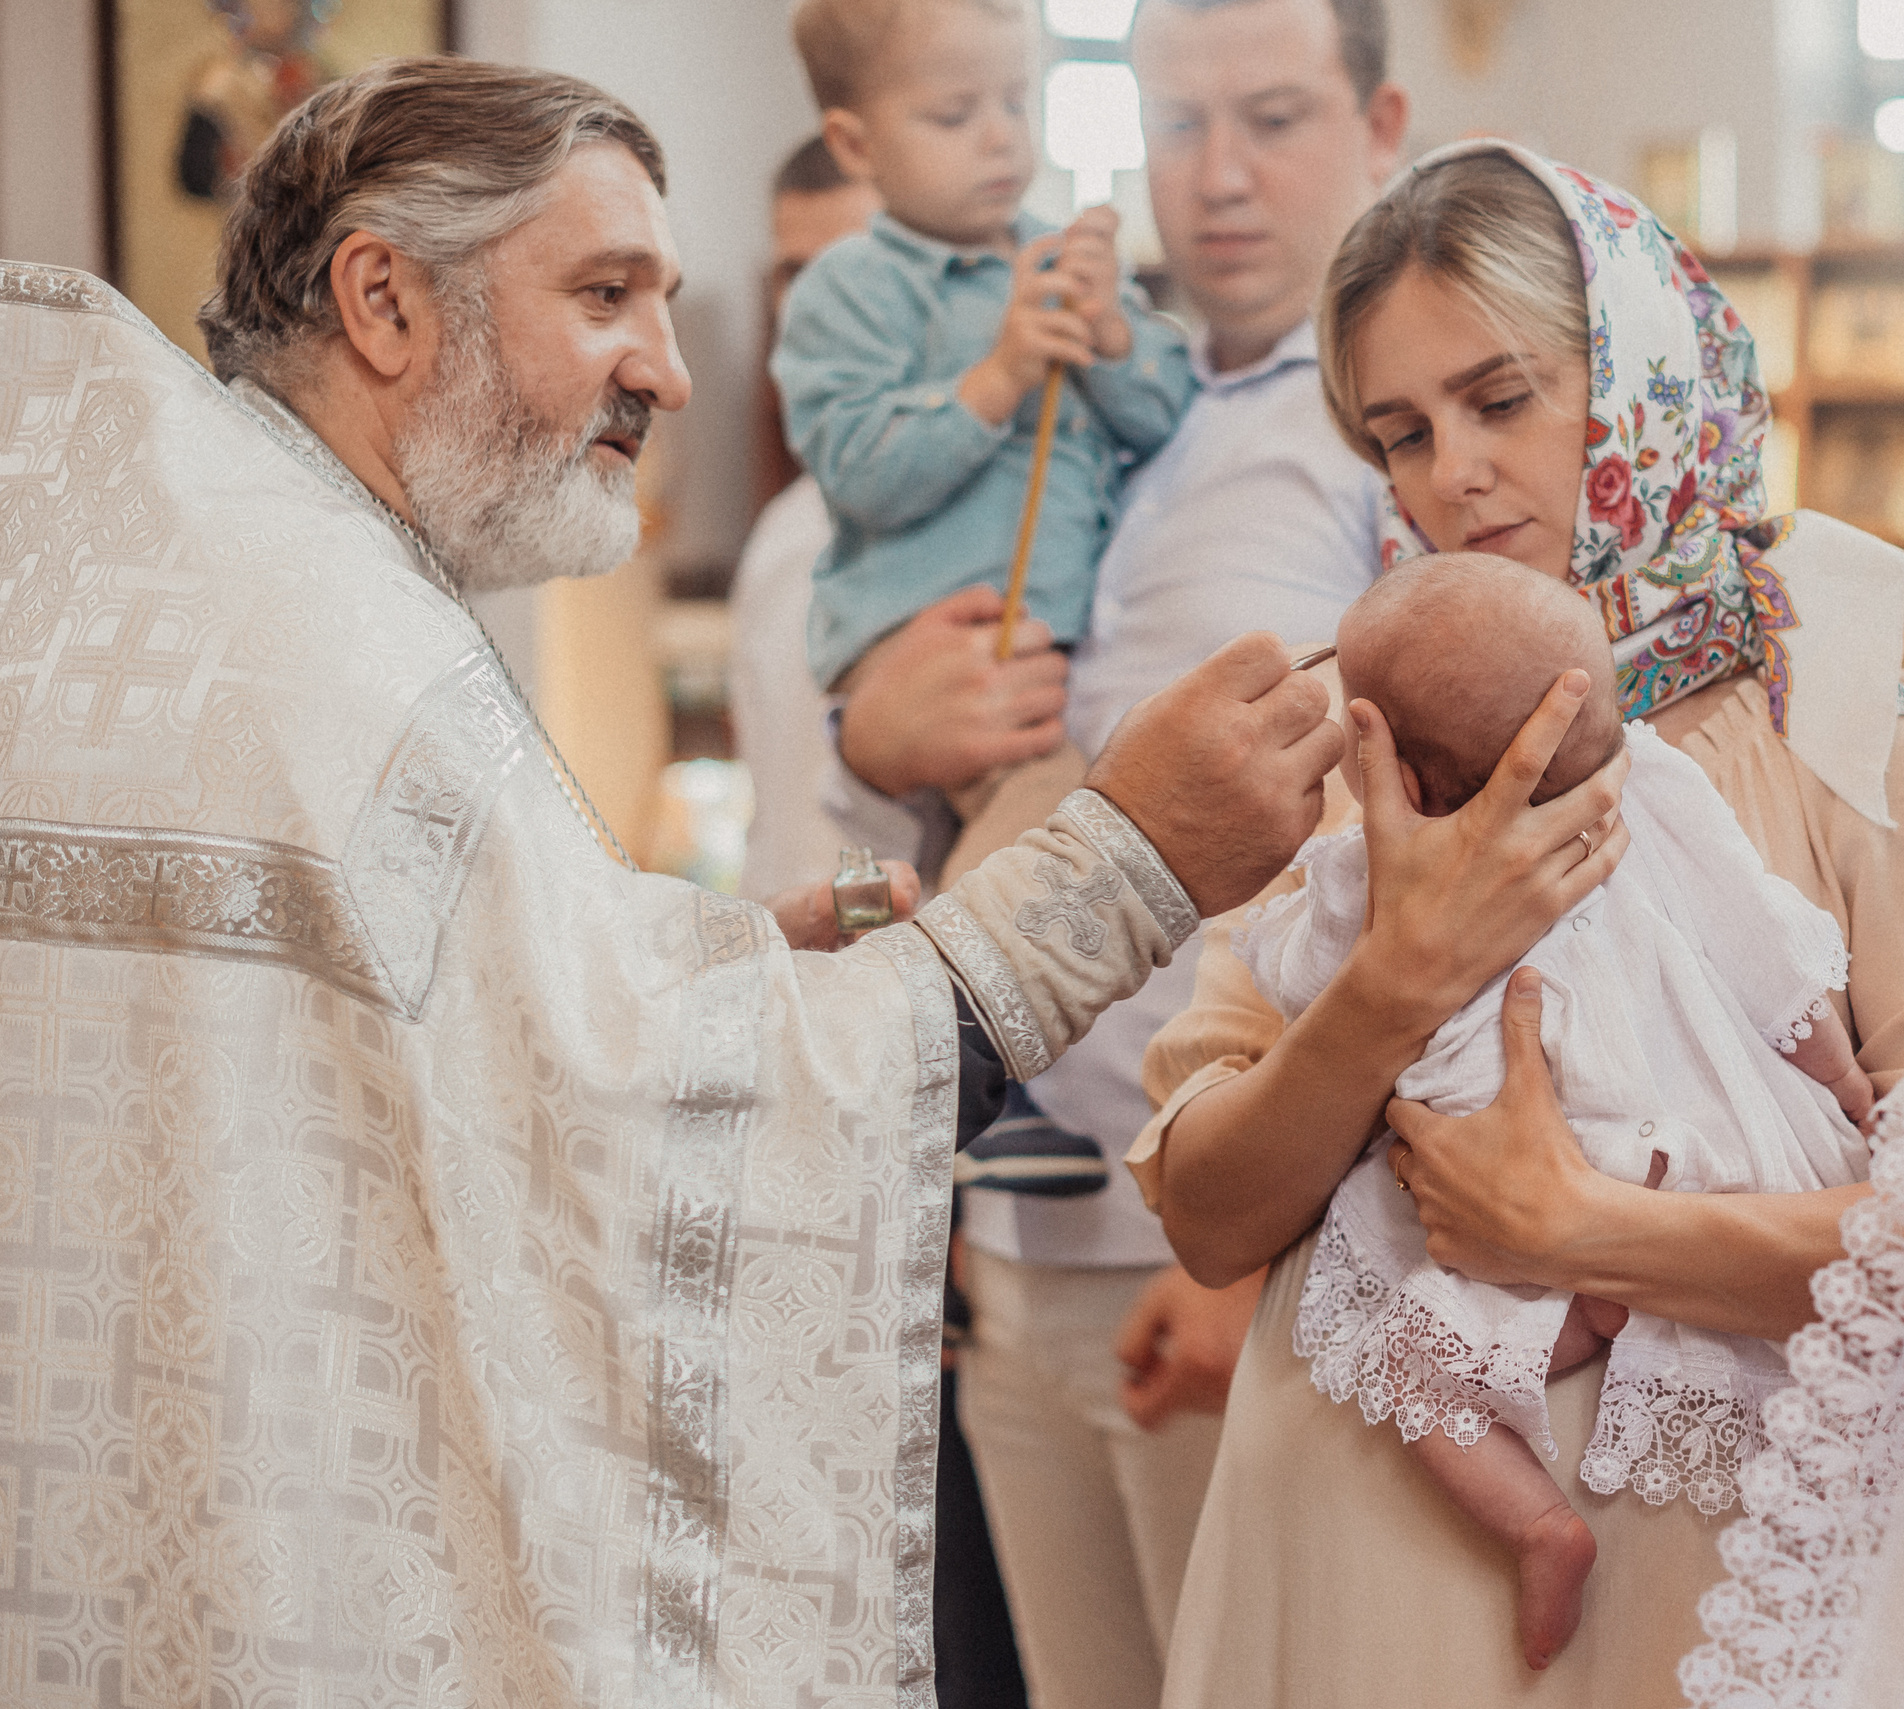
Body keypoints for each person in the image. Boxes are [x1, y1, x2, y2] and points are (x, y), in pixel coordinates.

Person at [0, 58, 1340, 1706]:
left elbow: (446, 1030)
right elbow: (659, 1117)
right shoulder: (336, 646)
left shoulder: (225, 564)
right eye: (605, 292)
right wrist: (1130, 857)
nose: (671, 369)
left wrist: (706, 952)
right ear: (383, 300)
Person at [1122, 140, 1904, 1706]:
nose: (1449, 472)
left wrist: (1581, 1232)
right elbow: (1208, 1207)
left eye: (1502, 398)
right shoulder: (1368, 764)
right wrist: (1392, 987)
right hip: (1348, 1581)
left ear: (1645, 382)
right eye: (1399, 432)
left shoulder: (1857, 733)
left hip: (1703, 1596)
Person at [818, 4, 1406, 1704]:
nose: (1216, 178)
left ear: (1382, 122)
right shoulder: (1086, 393)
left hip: (1219, 1245)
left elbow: (1413, 849)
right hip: (1016, 1216)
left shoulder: (1387, 422)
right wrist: (878, 742)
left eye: (1275, 118)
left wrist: (1264, 1238)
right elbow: (945, 791)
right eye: (1175, 123)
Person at [1246, 551, 1875, 1669]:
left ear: (1398, 770)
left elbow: (1301, 985)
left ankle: (1537, 1522)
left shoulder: (1374, 868)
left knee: (1403, 1342)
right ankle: (1611, 1313)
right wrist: (1833, 1073)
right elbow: (1762, 938)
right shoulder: (1661, 784)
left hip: (1496, 1170)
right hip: (1697, 1148)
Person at [776, 0, 1193, 757]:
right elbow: (859, 472)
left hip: (1063, 652)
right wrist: (997, 379)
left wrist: (1112, 335)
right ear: (855, 144)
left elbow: (1169, 418)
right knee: (1061, 830)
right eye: (953, 114)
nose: (1001, 136)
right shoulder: (842, 292)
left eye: (1013, 100)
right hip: (929, 654)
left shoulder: (1068, 259)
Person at [733, 136, 884, 902]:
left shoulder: (1012, 514)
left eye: (855, 264)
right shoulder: (782, 531)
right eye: (796, 271)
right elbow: (776, 820)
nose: (817, 304)